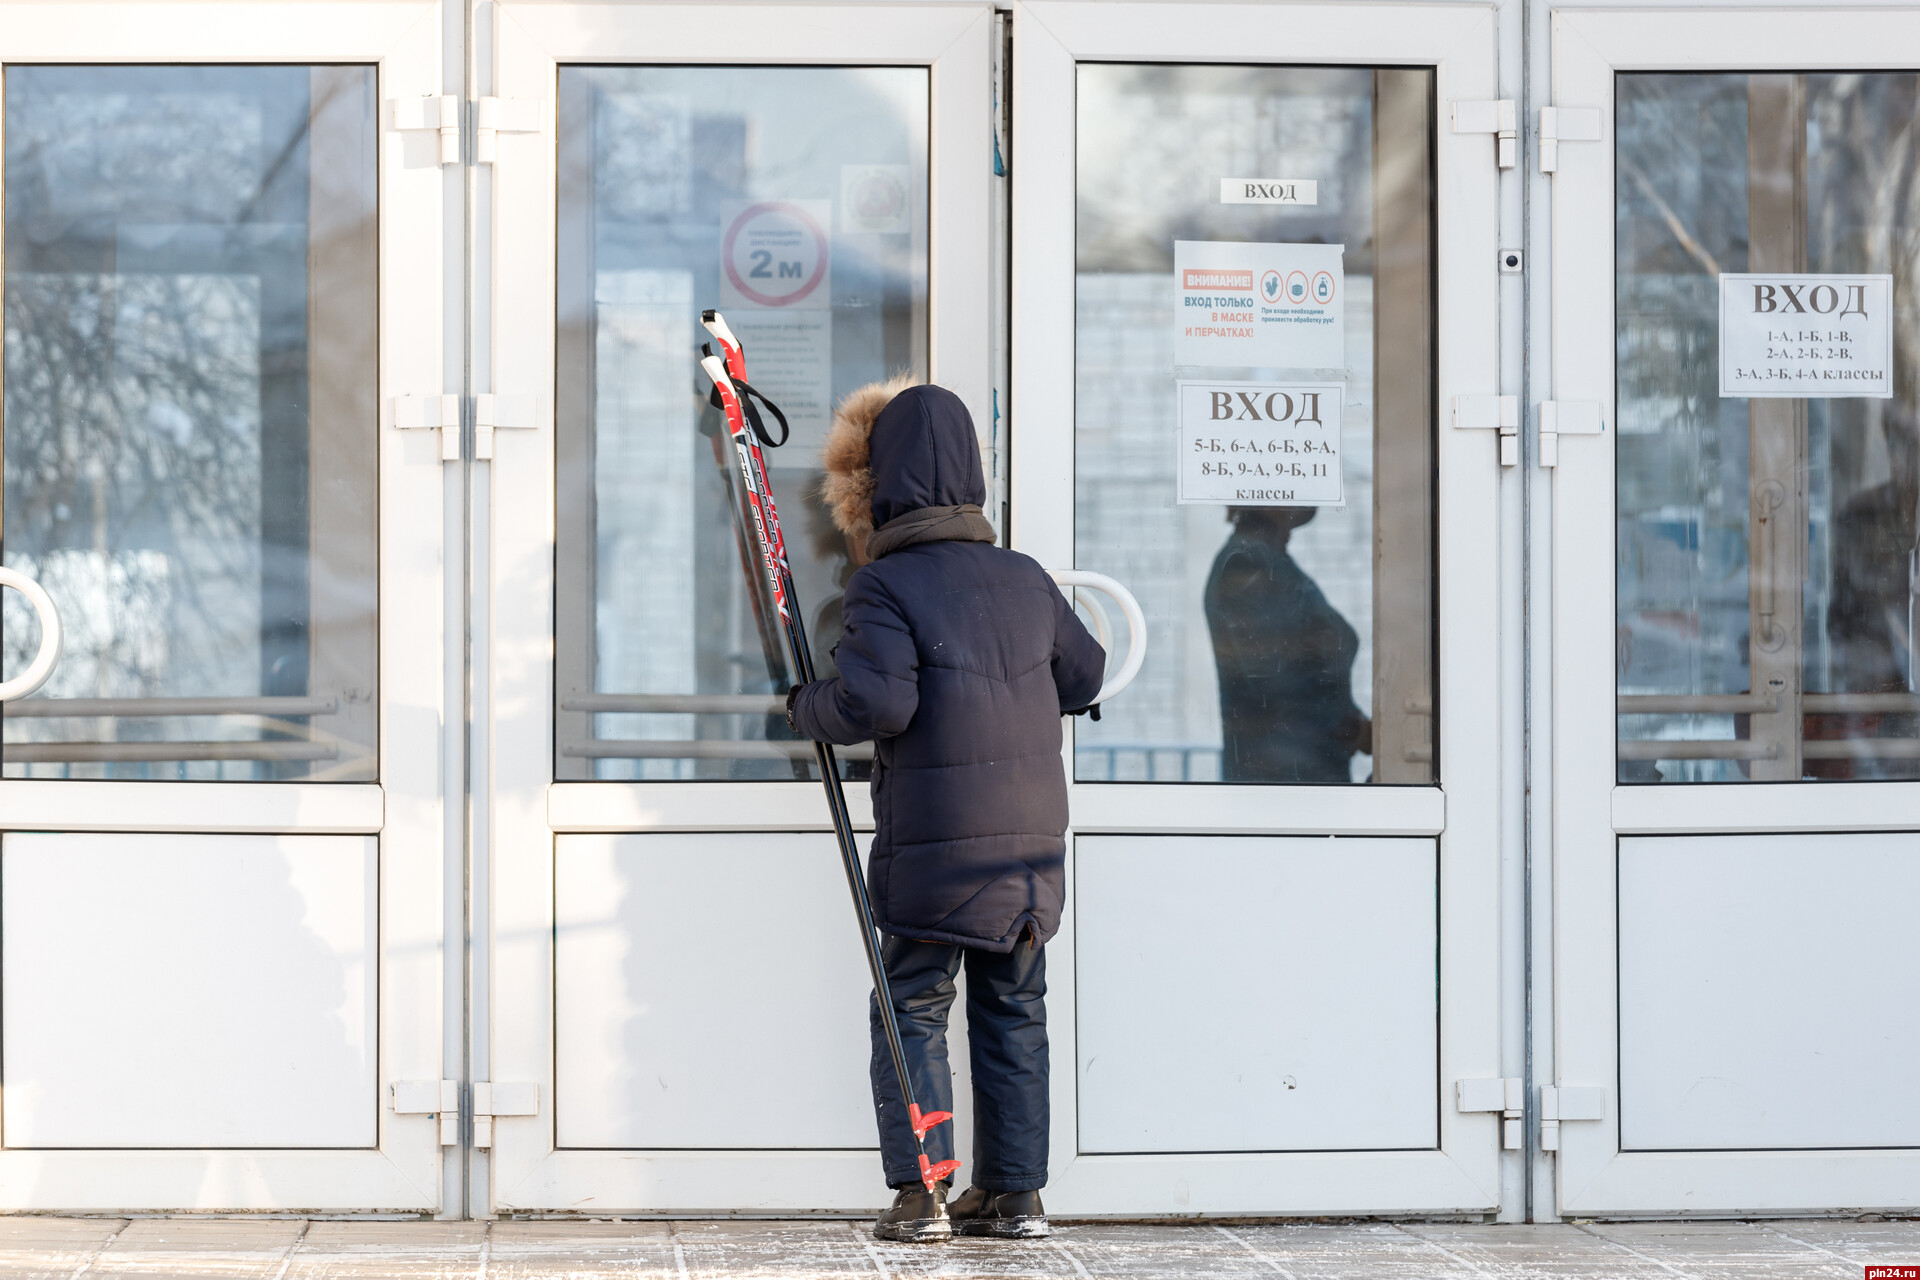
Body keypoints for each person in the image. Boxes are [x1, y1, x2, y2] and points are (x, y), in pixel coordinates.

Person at [786, 377, 1105, 1243]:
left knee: (913, 1003)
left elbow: (874, 708)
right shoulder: (1026, 579)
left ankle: (923, 1194)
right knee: (1014, 1007)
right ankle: (1016, 1197)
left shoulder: (886, 587)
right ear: (972, 472)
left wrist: (803, 704)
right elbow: (1088, 675)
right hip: (1031, 843)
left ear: (879, 478)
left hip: (937, 845)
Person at [1203, 506, 1371, 783]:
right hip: (1282, 781)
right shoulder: (1246, 563)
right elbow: (1273, 680)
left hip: (1301, 772)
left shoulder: (1267, 559)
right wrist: (1349, 726)